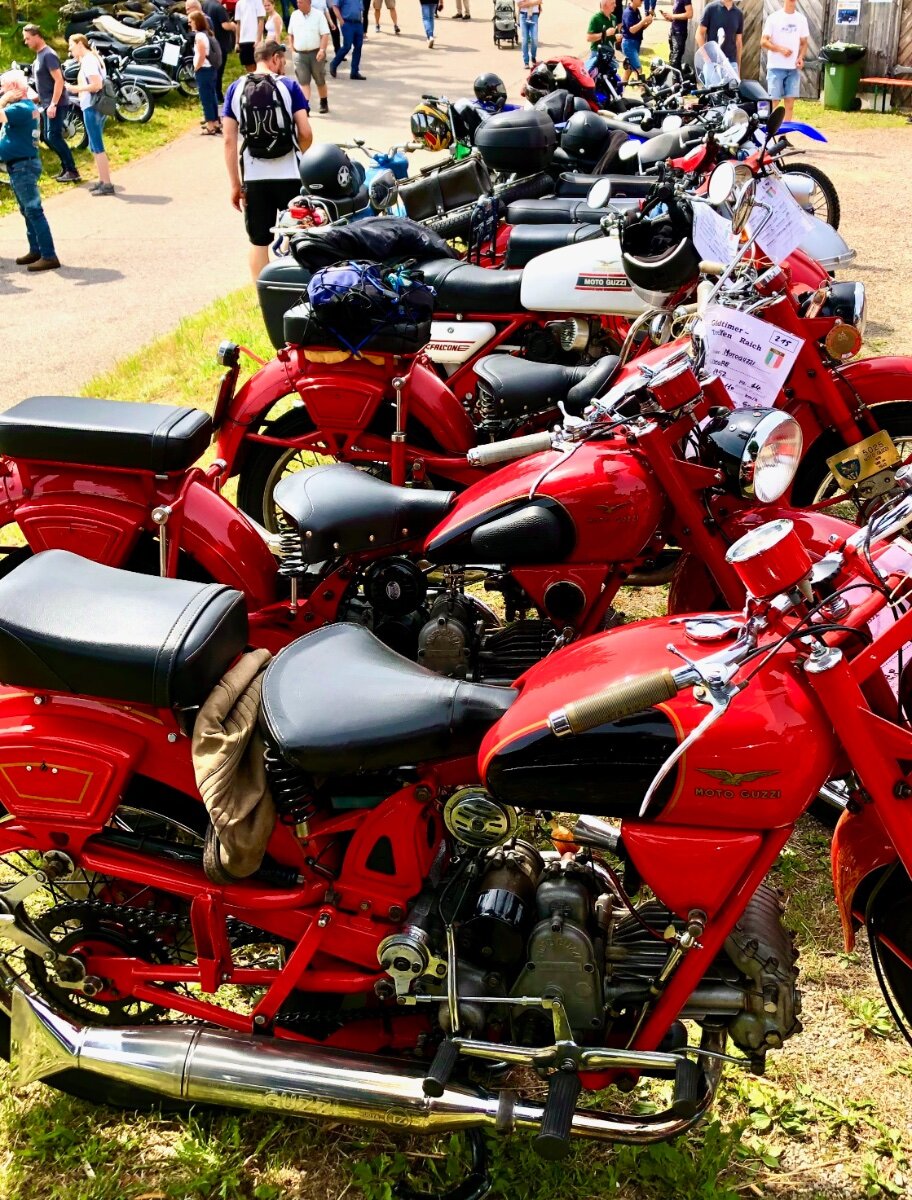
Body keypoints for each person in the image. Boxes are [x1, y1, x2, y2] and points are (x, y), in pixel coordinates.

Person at [222, 40, 313, 279]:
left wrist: (235, 184)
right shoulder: (289, 86)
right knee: (300, 236)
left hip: (254, 178)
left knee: (259, 242)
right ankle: (298, 289)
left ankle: (263, 294)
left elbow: (229, 140)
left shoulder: (235, 89)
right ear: (274, 58)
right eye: (283, 60)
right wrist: (299, 154)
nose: (284, 65)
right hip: (291, 175)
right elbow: (305, 132)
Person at [0, 69, 60, 271]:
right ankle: (36, 250)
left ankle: (49, 255)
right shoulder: (27, 106)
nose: (2, 91)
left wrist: (4, 100)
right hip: (22, 164)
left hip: (22, 166)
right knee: (27, 211)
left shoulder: (19, 108)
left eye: (4, 87)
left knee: (33, 211)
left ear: (14, 88)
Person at [21, 23, 80, 184]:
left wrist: (53, 104)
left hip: (56, 103)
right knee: (47, 137)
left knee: (53, 136)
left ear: (37, 36)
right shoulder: (39, 56)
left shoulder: (48, 55)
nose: (26, 42)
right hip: (46, 103)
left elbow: (59, 80)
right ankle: (66, 168)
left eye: (27, 38)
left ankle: (72, 170)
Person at [66, 34, 114, 196]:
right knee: (94, 146)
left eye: (71, 46)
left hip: (92, 107)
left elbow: (96, 85)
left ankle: (107, 184)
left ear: (80, 44)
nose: (70, 50)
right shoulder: (93, 57)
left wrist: (75, 89)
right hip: (96, 106)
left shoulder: (88, 61)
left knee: (97, 146)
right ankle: (102, 180)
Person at [761, 0, 808, 121]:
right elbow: (763, 41)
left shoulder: (801, 19)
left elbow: (804, 43)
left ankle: (785, 131)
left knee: (790, 104)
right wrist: (780, 49)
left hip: (793, 69)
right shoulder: (773, 18)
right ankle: (771, 130)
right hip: (775, 67)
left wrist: (800, 57)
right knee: (774, 103)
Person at [288, 0, 330, 111]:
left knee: (320, 79)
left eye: (301, 2)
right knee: (303, 82)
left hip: (316, 53)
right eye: (297, 2)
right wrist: (292, 49)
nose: (298, 4)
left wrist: (322, 50)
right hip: (300, 54)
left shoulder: (318, 15)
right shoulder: (294, 15)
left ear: (308, 2)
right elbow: (290, 34)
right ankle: (305, 106)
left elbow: (325, 34)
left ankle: (324, 102)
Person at [190, 10, 222, 134]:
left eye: (191, 21)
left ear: (196, 22)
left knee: (205, 98)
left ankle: (210, 126)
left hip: (204, 70)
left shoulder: (199, 36)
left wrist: (196, 67)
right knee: (212, 96)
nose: (189, 24)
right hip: (212, 69)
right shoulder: (208, 33)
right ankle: (216, 122)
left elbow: (202, 54)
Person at [201, 0, 237, 101]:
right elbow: (225, 25)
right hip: (220, 43)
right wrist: (233, 25)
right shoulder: (219, 8)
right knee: (219, 71)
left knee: (211, 70)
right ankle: (218, 95)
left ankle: (211, 93)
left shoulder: (205, 4)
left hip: (209, 42)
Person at [697, 0, 744, 76]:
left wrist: (738, 69)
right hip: (713, 63)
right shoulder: (711, 8)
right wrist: (707, 59)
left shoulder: (738, 14)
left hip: (731, 64)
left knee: (733, 84)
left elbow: (738, 42)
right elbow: (699, 34)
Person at [330, 0, 367, 76]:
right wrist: (340, 20)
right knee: (347, 46)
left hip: (358, 23)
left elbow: (360, 10)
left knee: (358, 46)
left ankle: (354, 72)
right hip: (347, 22)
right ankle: (334, 64)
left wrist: (361, 23)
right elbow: (335, 6)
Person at [620, 0, 652, 84]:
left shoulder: (636, 11)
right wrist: (643, 20)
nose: (642, 1)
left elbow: (639, 28)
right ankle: (641, 90)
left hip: (635, 43)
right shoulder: (628, 13)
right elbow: (632, 30)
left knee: (629, 70)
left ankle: (619, 89)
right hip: (629, 44)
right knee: (638, 70)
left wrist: (647, 23)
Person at [585, 0, 621, 74]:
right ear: (605, 5)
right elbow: (589, 38)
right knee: (595, 76)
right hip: (598, 54)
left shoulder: (613, 18)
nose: (615, 5)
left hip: (609, 54)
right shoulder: (596, 18)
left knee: (612, 76)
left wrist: (616, 38)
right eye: (612, 3)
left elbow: (612, 37)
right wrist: (605, 33)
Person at [235, 0, 266, 71]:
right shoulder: (239, 3)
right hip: (243, 41)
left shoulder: (258, 2)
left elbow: (261, 21)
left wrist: (258, 40)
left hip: (255, 40)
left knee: (259, 67)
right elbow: (238, 24)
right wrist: (237, 42)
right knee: (248, 67)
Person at [662, 0, 692, 72]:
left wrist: (672, 16)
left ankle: (676, 78)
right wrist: (669, 17)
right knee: (672, 60)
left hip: (680, 33)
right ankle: (673, 77)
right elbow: (677, 17)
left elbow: (689, 14)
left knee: (675, 61)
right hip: (673, 31)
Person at [518, 0, 540, 69]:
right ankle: (526, 61)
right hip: (523, 15)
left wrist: (527, 3)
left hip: (534, 15)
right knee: (524, 39)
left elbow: (539, 1)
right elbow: (519, 4)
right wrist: (533, 3)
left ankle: (533, 57)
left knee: (534, 38)